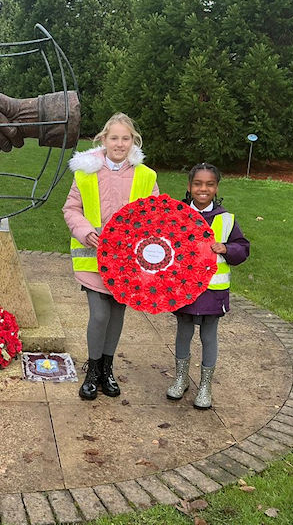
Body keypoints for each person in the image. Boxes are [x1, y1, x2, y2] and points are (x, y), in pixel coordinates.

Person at [63, 113, 159, 400]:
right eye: (114, 138)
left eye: (125, 138)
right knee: (100, 314)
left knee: (117, 315)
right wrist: (83, 231)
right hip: (93, 258)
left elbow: (154, 214)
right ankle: (92, 370)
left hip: (127, 262)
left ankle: (107, 369)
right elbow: (72, 209)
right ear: (103, 139)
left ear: (133, 142)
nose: (119, 143)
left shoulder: (146, 176)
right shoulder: (86, 173)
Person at [165, 163, 250, 409]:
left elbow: (242, 248)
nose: (203, 189)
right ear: (189, 187)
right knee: (183, 331)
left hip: (213, 291)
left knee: (208, 335)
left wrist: (226, 248)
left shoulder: (226, 219)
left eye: (209, 184)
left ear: (216, 188)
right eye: (198, 184)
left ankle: (205, 385)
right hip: (183, 289)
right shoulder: (178, 215)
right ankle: (180, 378)